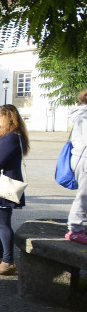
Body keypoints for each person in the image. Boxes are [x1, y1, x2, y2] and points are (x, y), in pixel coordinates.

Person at [0, 104, 30, 276]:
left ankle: (8, 262)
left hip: (2, 186)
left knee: (2, 224)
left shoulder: (11, 137)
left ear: (10, 117)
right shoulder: (2, 136)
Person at [66, 88, 87, 244]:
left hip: (80, 158)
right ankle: (75, 229)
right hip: (84, 160)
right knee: (84, 196)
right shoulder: (84, 116)